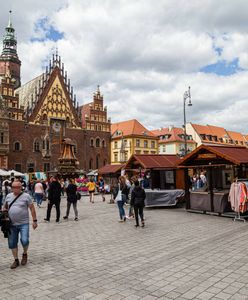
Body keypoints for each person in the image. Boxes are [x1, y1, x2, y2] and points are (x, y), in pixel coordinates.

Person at [3, 180, 38, 269]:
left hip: (24, 223)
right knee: (12, 243)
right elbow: (5, 207)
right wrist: (4, 214)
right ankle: (16, 260)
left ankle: (25, 254)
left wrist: (35, 221)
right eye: (13, 187)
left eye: (17, 187)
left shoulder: (26, 196)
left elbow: (32, 208)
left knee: (25, 240)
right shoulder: (8, 196)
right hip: (11, 224)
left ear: (21, 187)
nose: (15, 189)